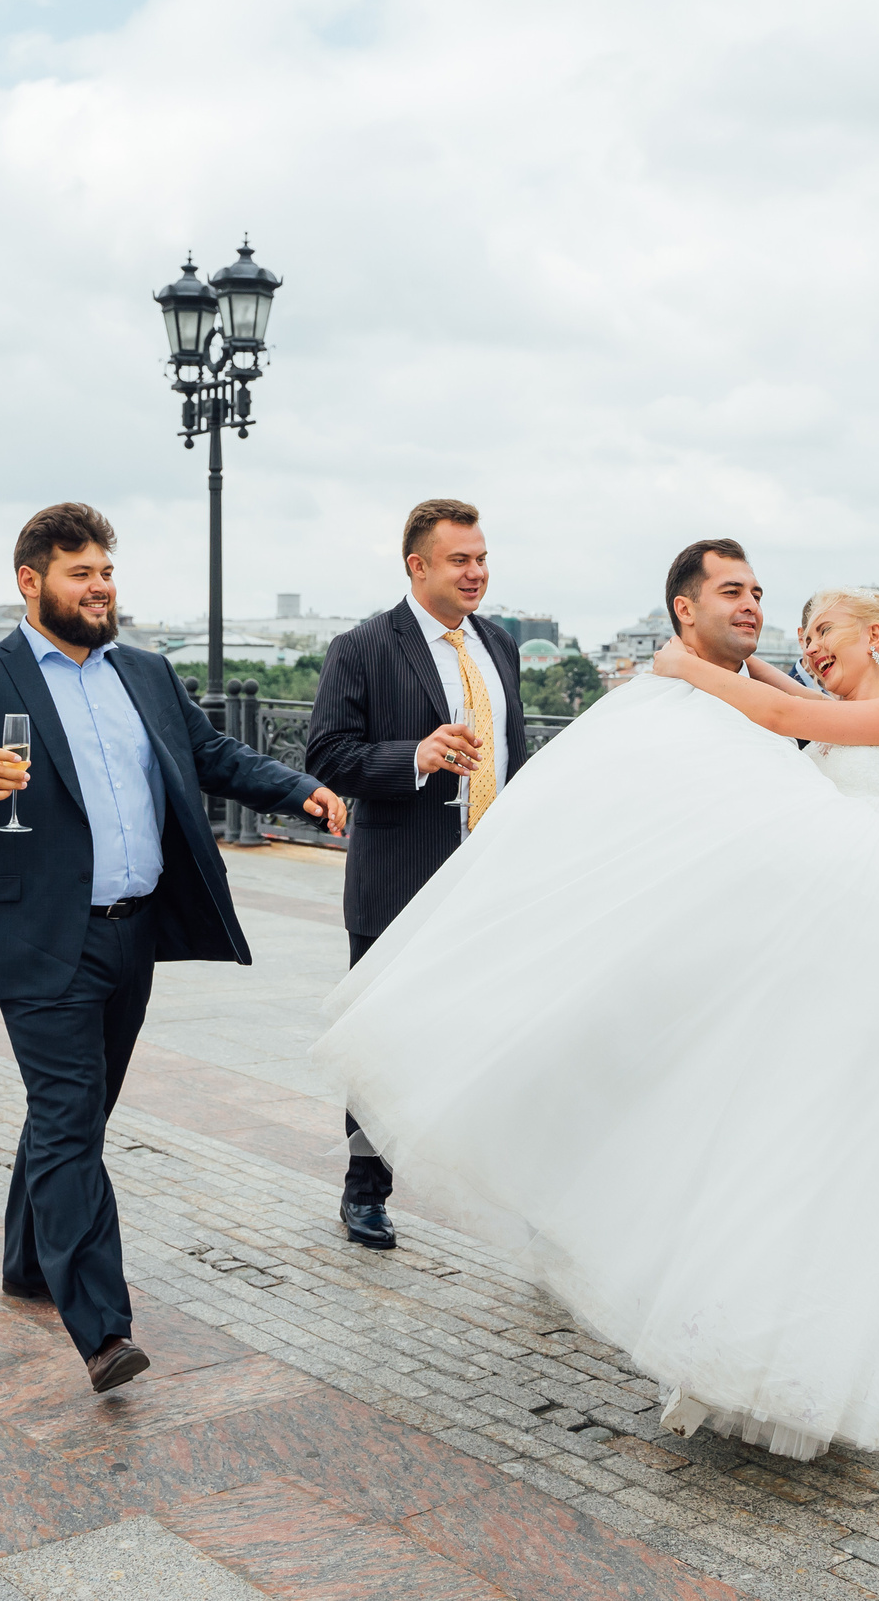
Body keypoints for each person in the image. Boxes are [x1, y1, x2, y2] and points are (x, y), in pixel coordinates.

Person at [312, 574, 879, 1460]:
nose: (810, 643)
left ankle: (812, 1357)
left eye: (825, 627)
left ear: (877, 636)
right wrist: (729, 658)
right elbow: (784, 698)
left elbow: (770, 715)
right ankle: (739, 1346)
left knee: (837, 1144)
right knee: (773, 1135)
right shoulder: (827, 701)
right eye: (804, 632)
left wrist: (687, 662)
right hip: (828, 949)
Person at [0, 502, 346, 1395]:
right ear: (31, 582)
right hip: (37, 935)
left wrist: (302, 789)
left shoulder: (144, 668)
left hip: (132, 932)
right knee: (67, 1119)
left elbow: (209, 753)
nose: (100, 587)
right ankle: (103, 1328)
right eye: (80, 573)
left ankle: (29, 1258)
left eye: (105, 570)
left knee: (77, 1116)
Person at [306, 500, 529, 1252]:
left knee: (511, 1035)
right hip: (398, 881)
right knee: (380, 1044)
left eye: (483, 557)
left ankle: (528, 1197)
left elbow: (514, 757)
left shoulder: (501, 644)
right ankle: (365, 1190)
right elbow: (328, 755)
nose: (477, 572)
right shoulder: (362, 647)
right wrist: (414, 756)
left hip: (488, 884)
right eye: (461, 559)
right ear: (418, 566)